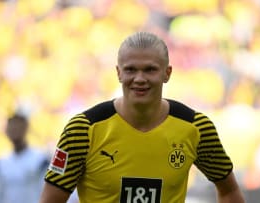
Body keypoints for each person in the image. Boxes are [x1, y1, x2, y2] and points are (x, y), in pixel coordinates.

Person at [39, 31, 245, 203]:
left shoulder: (196, 128)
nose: (139, 79)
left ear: (167, 73)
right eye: (130, 70)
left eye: (150, 70)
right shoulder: (82, 129)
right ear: (119, 73)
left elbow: (229, 191)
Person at [0, 113, 50, 203]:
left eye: (18, 127)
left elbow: (47, 191)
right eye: (12, 127)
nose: (14, 130)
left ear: (26, 128)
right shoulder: (1, 162)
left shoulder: (40, 159)